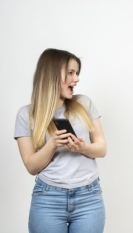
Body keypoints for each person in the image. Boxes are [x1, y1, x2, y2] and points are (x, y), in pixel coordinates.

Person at [14, 49, 106, 233]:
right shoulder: (26, 115)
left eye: (77, 73)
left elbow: (101, 149)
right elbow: (31, 167)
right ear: (52, 75)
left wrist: (82, 147)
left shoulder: (84, 104)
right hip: (48, 198)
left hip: (89, 197)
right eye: (70, 73)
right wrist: (52, 143)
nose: (77, 79)